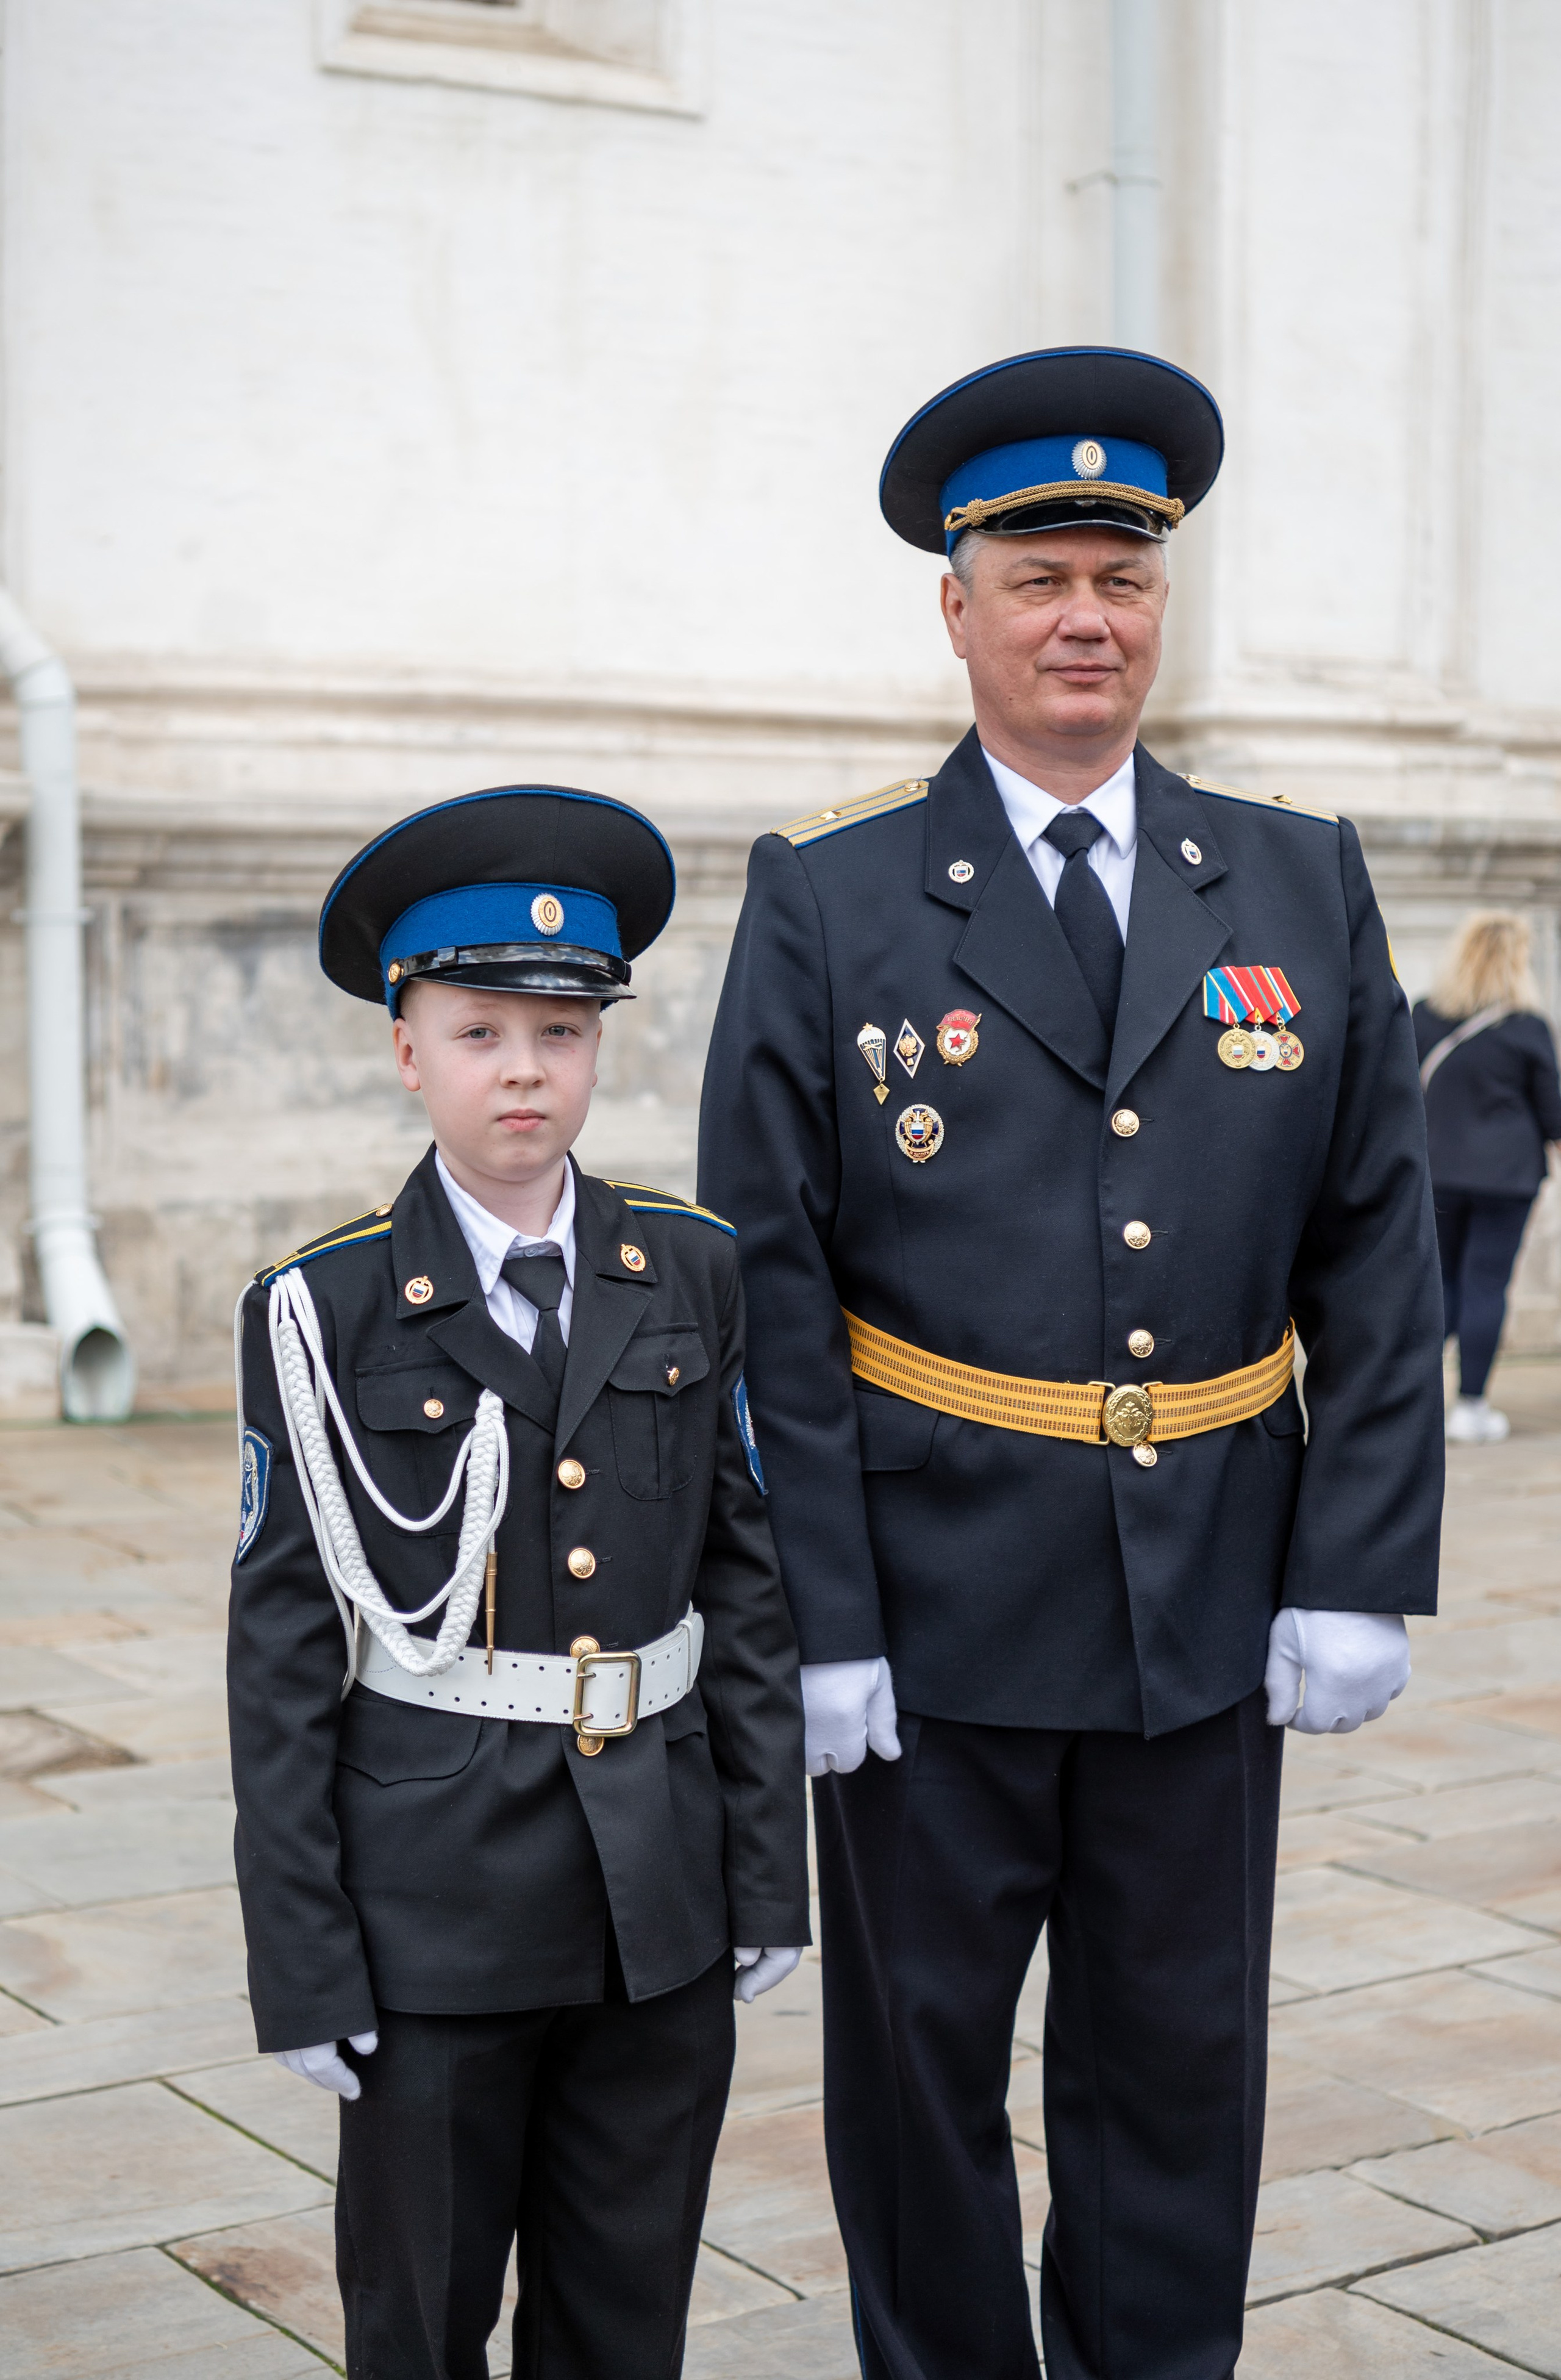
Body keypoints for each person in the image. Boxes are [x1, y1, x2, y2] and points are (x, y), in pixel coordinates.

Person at [698, 348, 1446, 2380]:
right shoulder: (832, 889)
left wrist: (1356, 1561)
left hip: (1207, 1591)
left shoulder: (1294, 873)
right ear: (958, 608)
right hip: (931, 1609)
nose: (1086, 617)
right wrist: (818, 1616)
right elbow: (767, 1281)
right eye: (1040, 578)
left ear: (1162, 599)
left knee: (1181, 2060)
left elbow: (1377, 1244)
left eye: (1123, 576)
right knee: (920, 2072)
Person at [227, 784, 809, 2380]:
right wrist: (302, 1953)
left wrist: (768, 1873)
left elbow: (745, 1585)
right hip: (432, 1910)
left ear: (600, 1045)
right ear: (407, 1049)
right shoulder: (322, 1306)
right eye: (479, 1031)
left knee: (625, 2317)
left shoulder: (691, 1265)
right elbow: (281, 1656)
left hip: (655, 1899)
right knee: (419, 2321)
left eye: (561, 1031)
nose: (525, 1070)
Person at [1413, 911, 1561, 1444]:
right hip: (1508, 1176)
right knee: (1486, 1284)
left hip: (1437, 1170)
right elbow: (1553, 1115)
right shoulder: (1527, 1026)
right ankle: (1471, 1408)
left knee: (1440, 1286)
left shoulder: (1423, 1016)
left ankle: (1414, 1399)